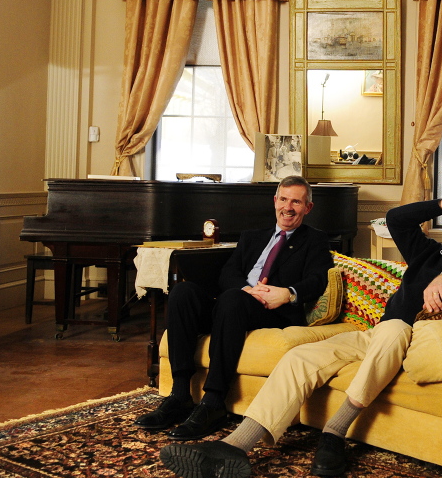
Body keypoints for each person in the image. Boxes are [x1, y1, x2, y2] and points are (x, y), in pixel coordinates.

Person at [158, 196, 442, 478]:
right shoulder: (427, 252)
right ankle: (236, 446)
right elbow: (396, 218)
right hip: (374, 334)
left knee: (395, 328)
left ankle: (334, 433)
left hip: (412, 335)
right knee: (300, 358)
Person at [133, 176, 333, 440]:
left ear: (308, 207)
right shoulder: (253, 237)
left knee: (231, 300)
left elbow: (319, 279)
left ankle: (214, 402)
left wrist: (287, 294)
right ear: (275, 201)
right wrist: (246, 289)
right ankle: (180, 395)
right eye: (283, 199)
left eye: (296, 201)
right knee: (183, 292)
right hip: (236, 303)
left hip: (272, 310)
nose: (288, 207)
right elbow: (229, 273)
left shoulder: (315, 240)